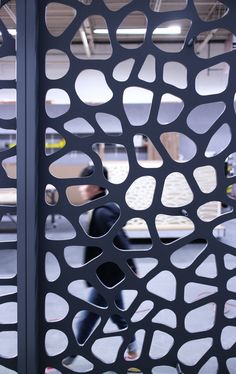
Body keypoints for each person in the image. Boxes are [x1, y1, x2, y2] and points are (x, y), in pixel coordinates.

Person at [62, 165, 139, 367]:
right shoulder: (100, 207)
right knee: (117, 315)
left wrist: (131, 266)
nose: (80, 188)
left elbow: (120, 240)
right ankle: (133, 350)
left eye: (83, 184)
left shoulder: (103, 212)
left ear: (96, 186)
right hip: (107, 272)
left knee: (88, 318)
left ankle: (70, 355)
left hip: (107, 275)